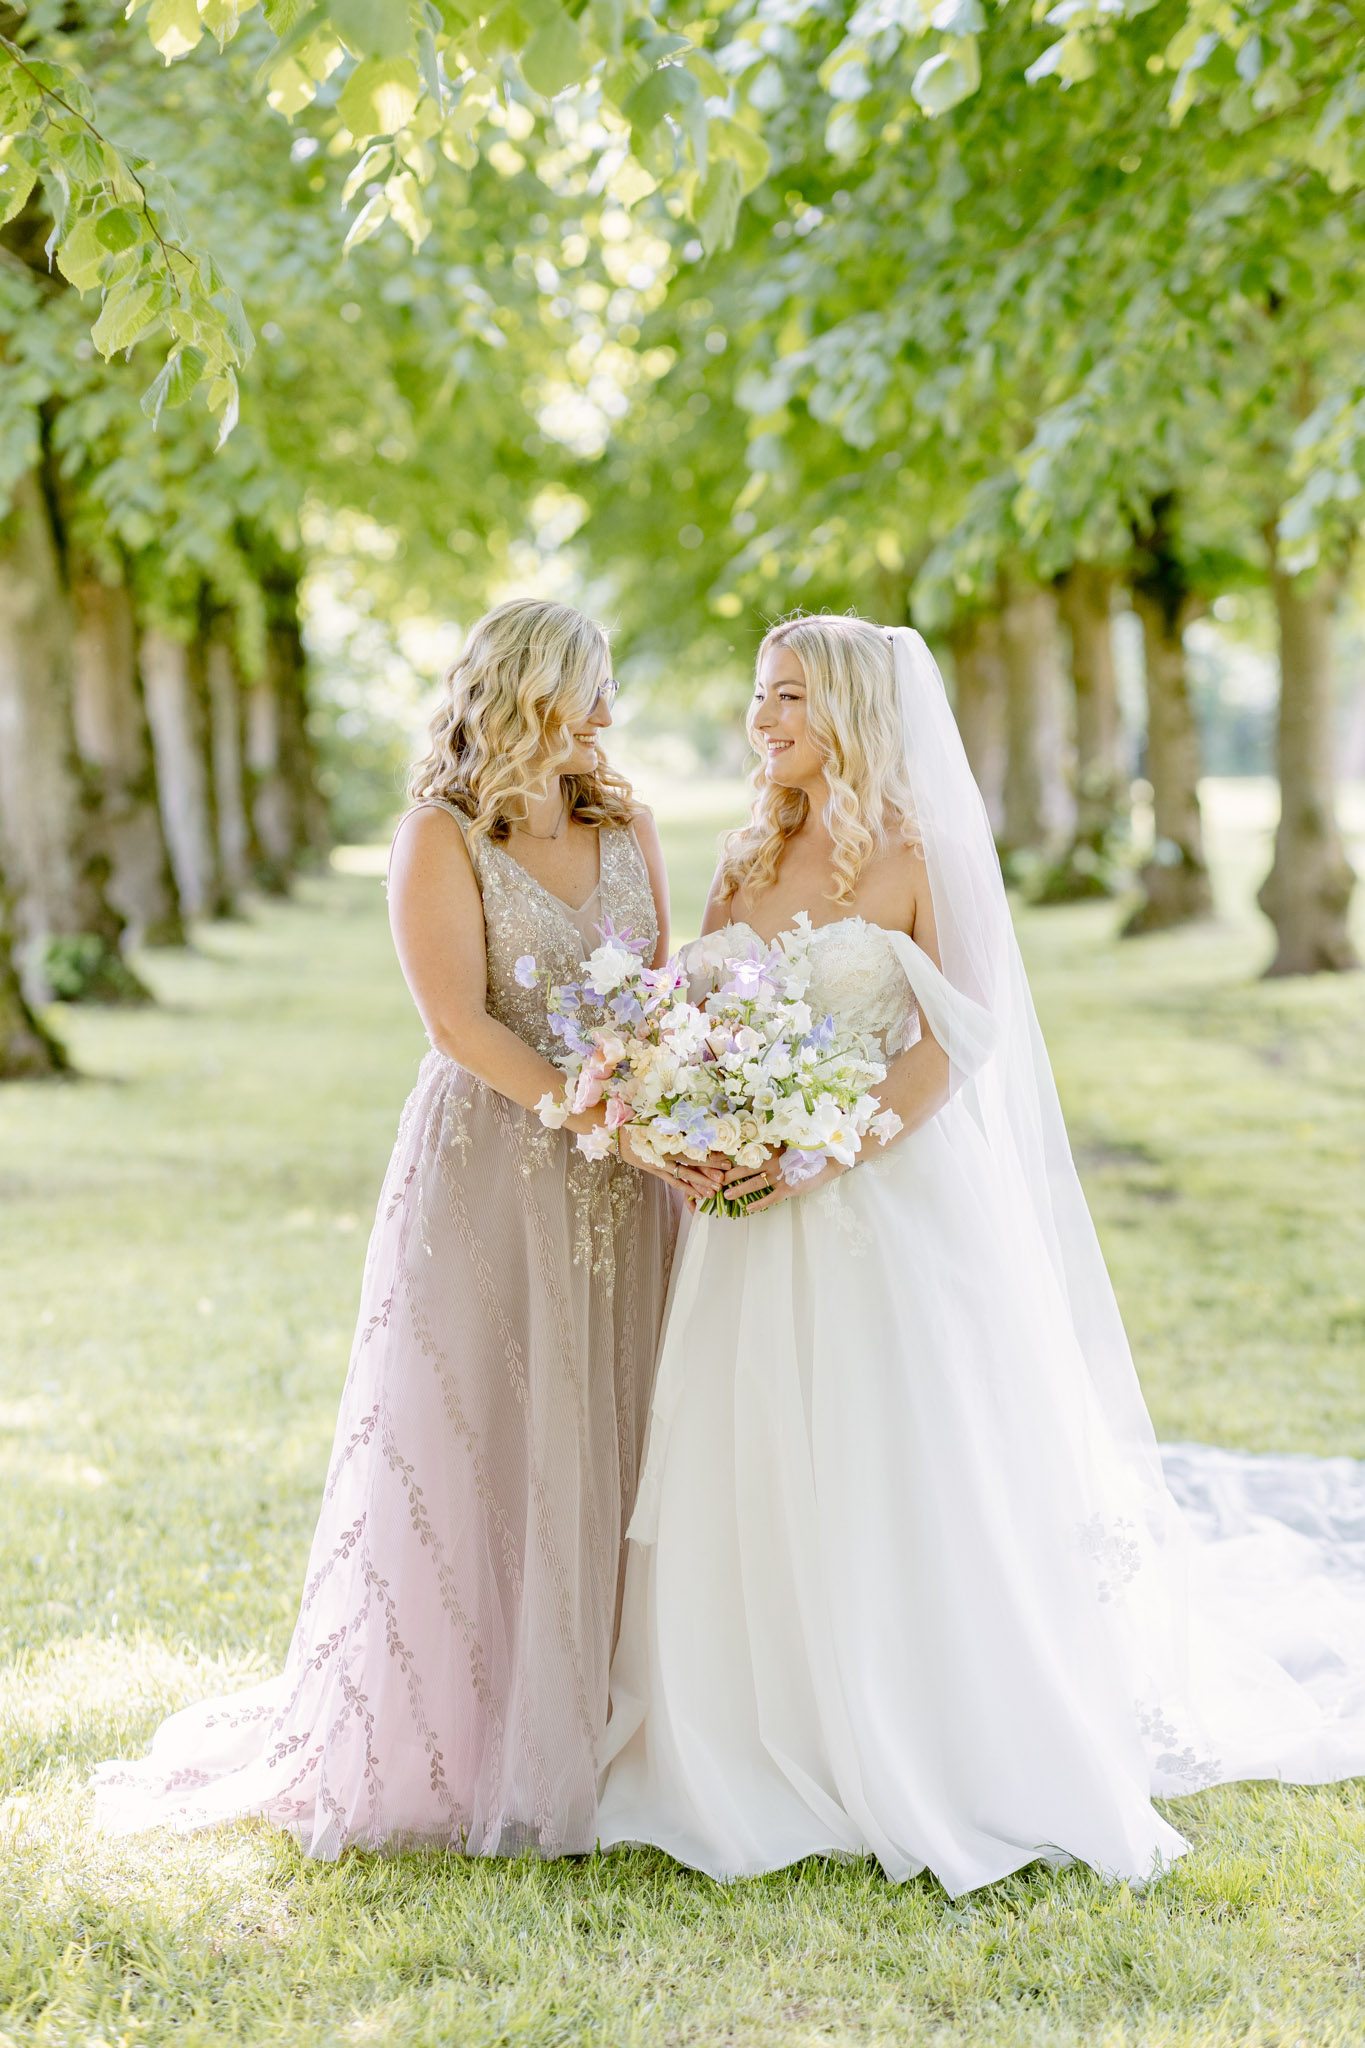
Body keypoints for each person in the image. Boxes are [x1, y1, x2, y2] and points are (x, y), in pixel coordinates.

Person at [597, 611, 1365, 1897]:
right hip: (748, 1217)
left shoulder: (922, 852)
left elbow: (958, 1042)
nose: (764, 719)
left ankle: (921, 1726)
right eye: (760, 695)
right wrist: (706, 1117)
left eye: (789, 696)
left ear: (849, 708)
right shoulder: (743, 852)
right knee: (758, 1443)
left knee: (896, 1447)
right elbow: (702, 1010)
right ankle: (752, 1727)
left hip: (884, 1200)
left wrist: (824, 1149)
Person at [94, 597, 707, 1858]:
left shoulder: (631, 825)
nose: (609, 713)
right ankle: (483, 1732)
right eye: (591, 688)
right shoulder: (441, 835)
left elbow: (656, 994)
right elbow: (458, 1024)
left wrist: (668, 1108)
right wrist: (599, 1117)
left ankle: (622, 1726)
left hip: (627, 1171)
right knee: (493, 1415)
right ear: (530, 692)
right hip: (497, 1164)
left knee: (623, 1415)